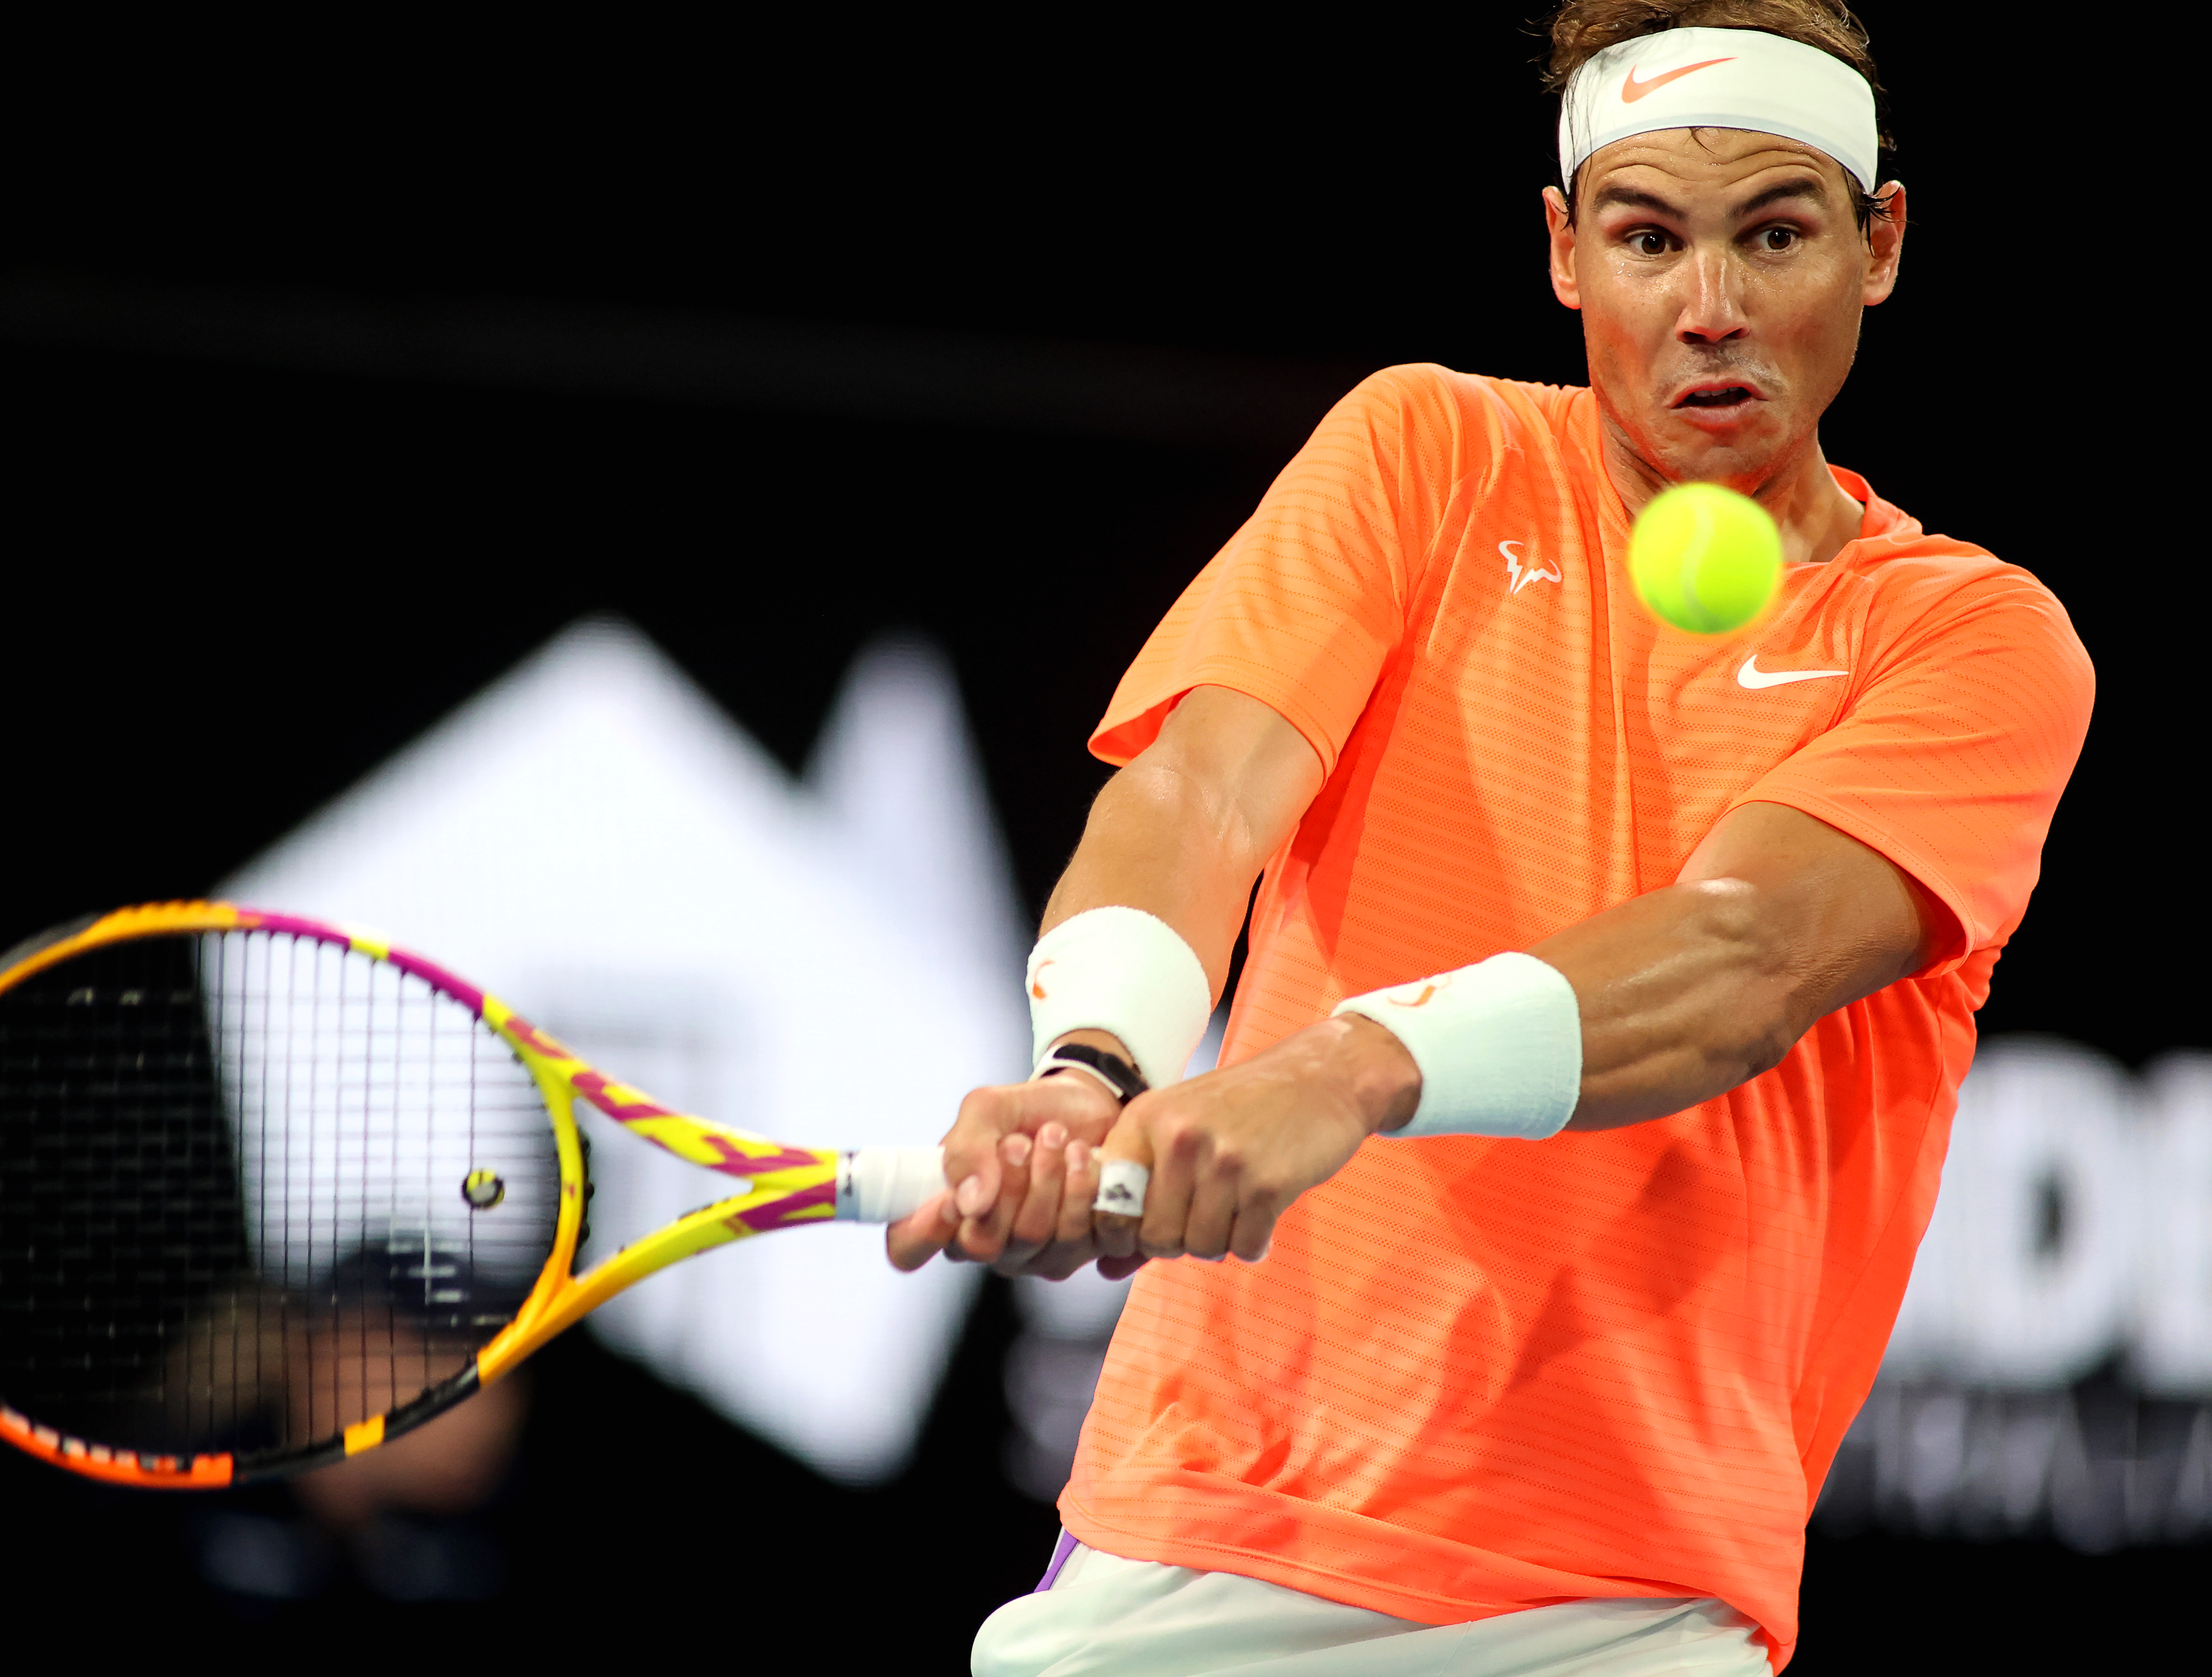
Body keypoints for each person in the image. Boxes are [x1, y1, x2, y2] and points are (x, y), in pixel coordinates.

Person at [887, 3, 2093, 1672]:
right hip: (1208, 1526)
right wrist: (1093, 1065)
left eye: (1776, 236)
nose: (1712, 306)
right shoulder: (1425, 452)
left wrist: (1344, 1071)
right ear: (1563, 251)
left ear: (1878, 245)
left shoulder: (1971, 638)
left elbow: (1739, 959)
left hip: (1627, 1607)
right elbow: (1200, 792)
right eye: (1648, 239)